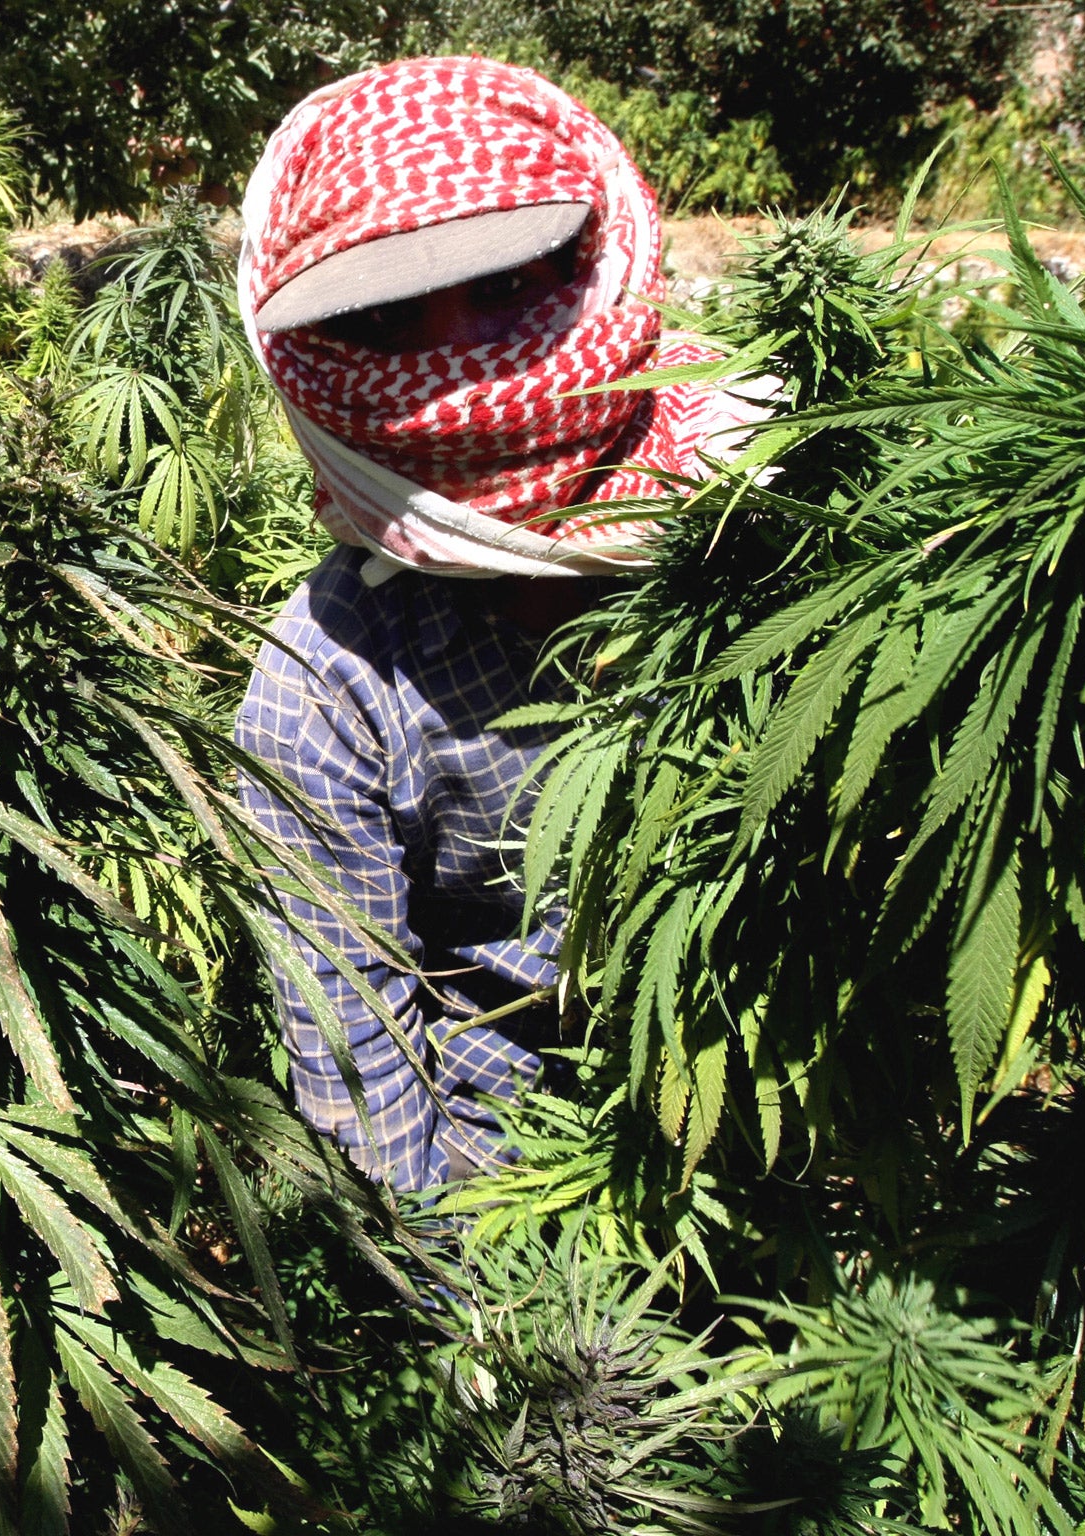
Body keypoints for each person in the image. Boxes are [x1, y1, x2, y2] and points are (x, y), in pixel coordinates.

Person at [233, 57, 759, 1192]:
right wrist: (472, 1338)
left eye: (509, 282)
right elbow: (356, 1065)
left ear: (597, 254)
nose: (459, 370)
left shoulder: (764, 526)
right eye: (383, 319)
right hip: (518, 1181)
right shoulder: (324, 685)